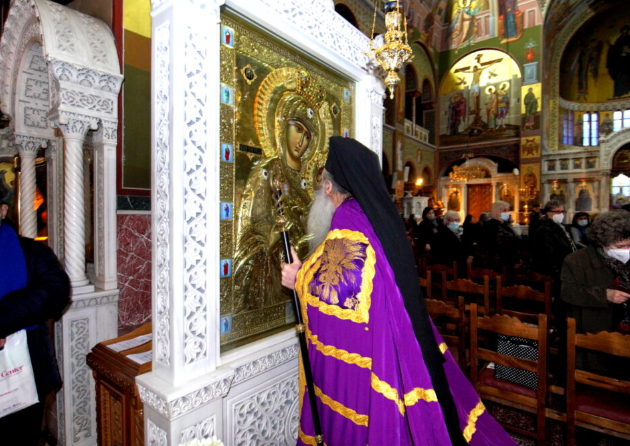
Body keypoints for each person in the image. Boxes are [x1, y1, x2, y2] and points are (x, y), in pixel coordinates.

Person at [282, 137, 514, 445]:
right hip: (397, 341)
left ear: (328, 187)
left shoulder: (348, 232)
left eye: (320, 184)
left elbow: (338, 297)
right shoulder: (373, 220)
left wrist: (298, 278)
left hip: (369, 365)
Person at [0, 206, 71, 445]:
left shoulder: (31, 252)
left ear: (2, 210)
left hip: (23, 374)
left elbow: (56, 290)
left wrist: (3, 319)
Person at [561, 211, 630, 375]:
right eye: (620, 247)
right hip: (594, 324)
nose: (626, 250)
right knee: (599, 369)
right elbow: (567, 292)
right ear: (603, 242)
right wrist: (604, 295)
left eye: (629, 245)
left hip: (625, 324)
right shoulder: (576, 260)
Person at [531, 200, 577, 282]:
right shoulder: (544, 228)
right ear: (548, 213)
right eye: (557, 212)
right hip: (555, 269)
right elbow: (546, 251)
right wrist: (554, 271)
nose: (560, 214)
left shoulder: (563, 227)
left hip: (567, 265)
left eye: (562, 211)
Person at [478, 201, 521, 273]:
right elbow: (499, 245)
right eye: (504, 210)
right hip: (499, 262)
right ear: (497, 211)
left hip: (509, 261)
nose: (507, 213)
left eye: (507, 210)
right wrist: (514, 258)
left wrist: (517, 258)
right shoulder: (492, 225)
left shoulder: (505, 225)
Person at [433, 211, 474, 277]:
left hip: (463, 261)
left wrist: (470, 255)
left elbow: (468, 243)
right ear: (447, 221)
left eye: (457, 220)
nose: (455, 222)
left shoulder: (461, 230)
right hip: (449, 262)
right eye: (453, 220)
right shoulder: (441, 231)